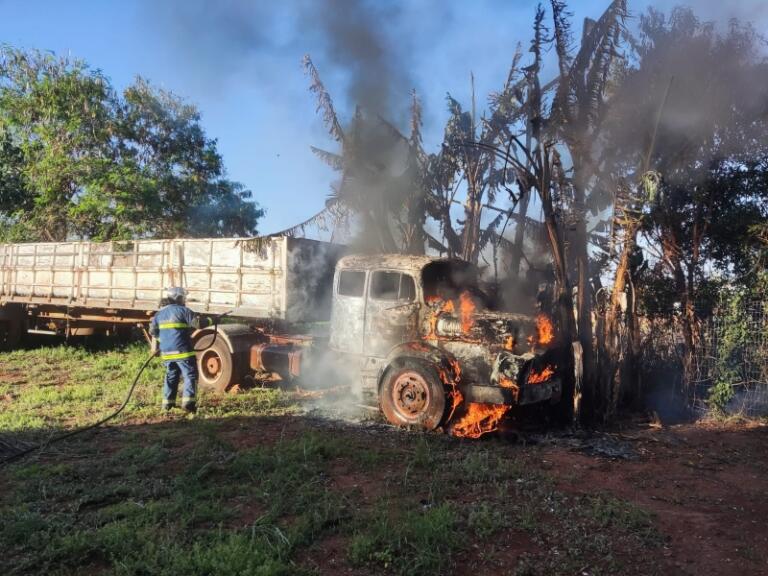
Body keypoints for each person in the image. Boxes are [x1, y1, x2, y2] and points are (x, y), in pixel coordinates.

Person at [149, 287, 210, 413]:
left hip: (166, 353)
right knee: (190, 376)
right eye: (183, 297)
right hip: (183, 351)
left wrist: (164, 341)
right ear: (178, 298)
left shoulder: (159, 314)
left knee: (171, 376)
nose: (184, 300)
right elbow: (198, 324)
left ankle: (167, 405)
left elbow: (153, 332)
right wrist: (212, 320)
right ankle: (188, 404)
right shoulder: (183, 311)